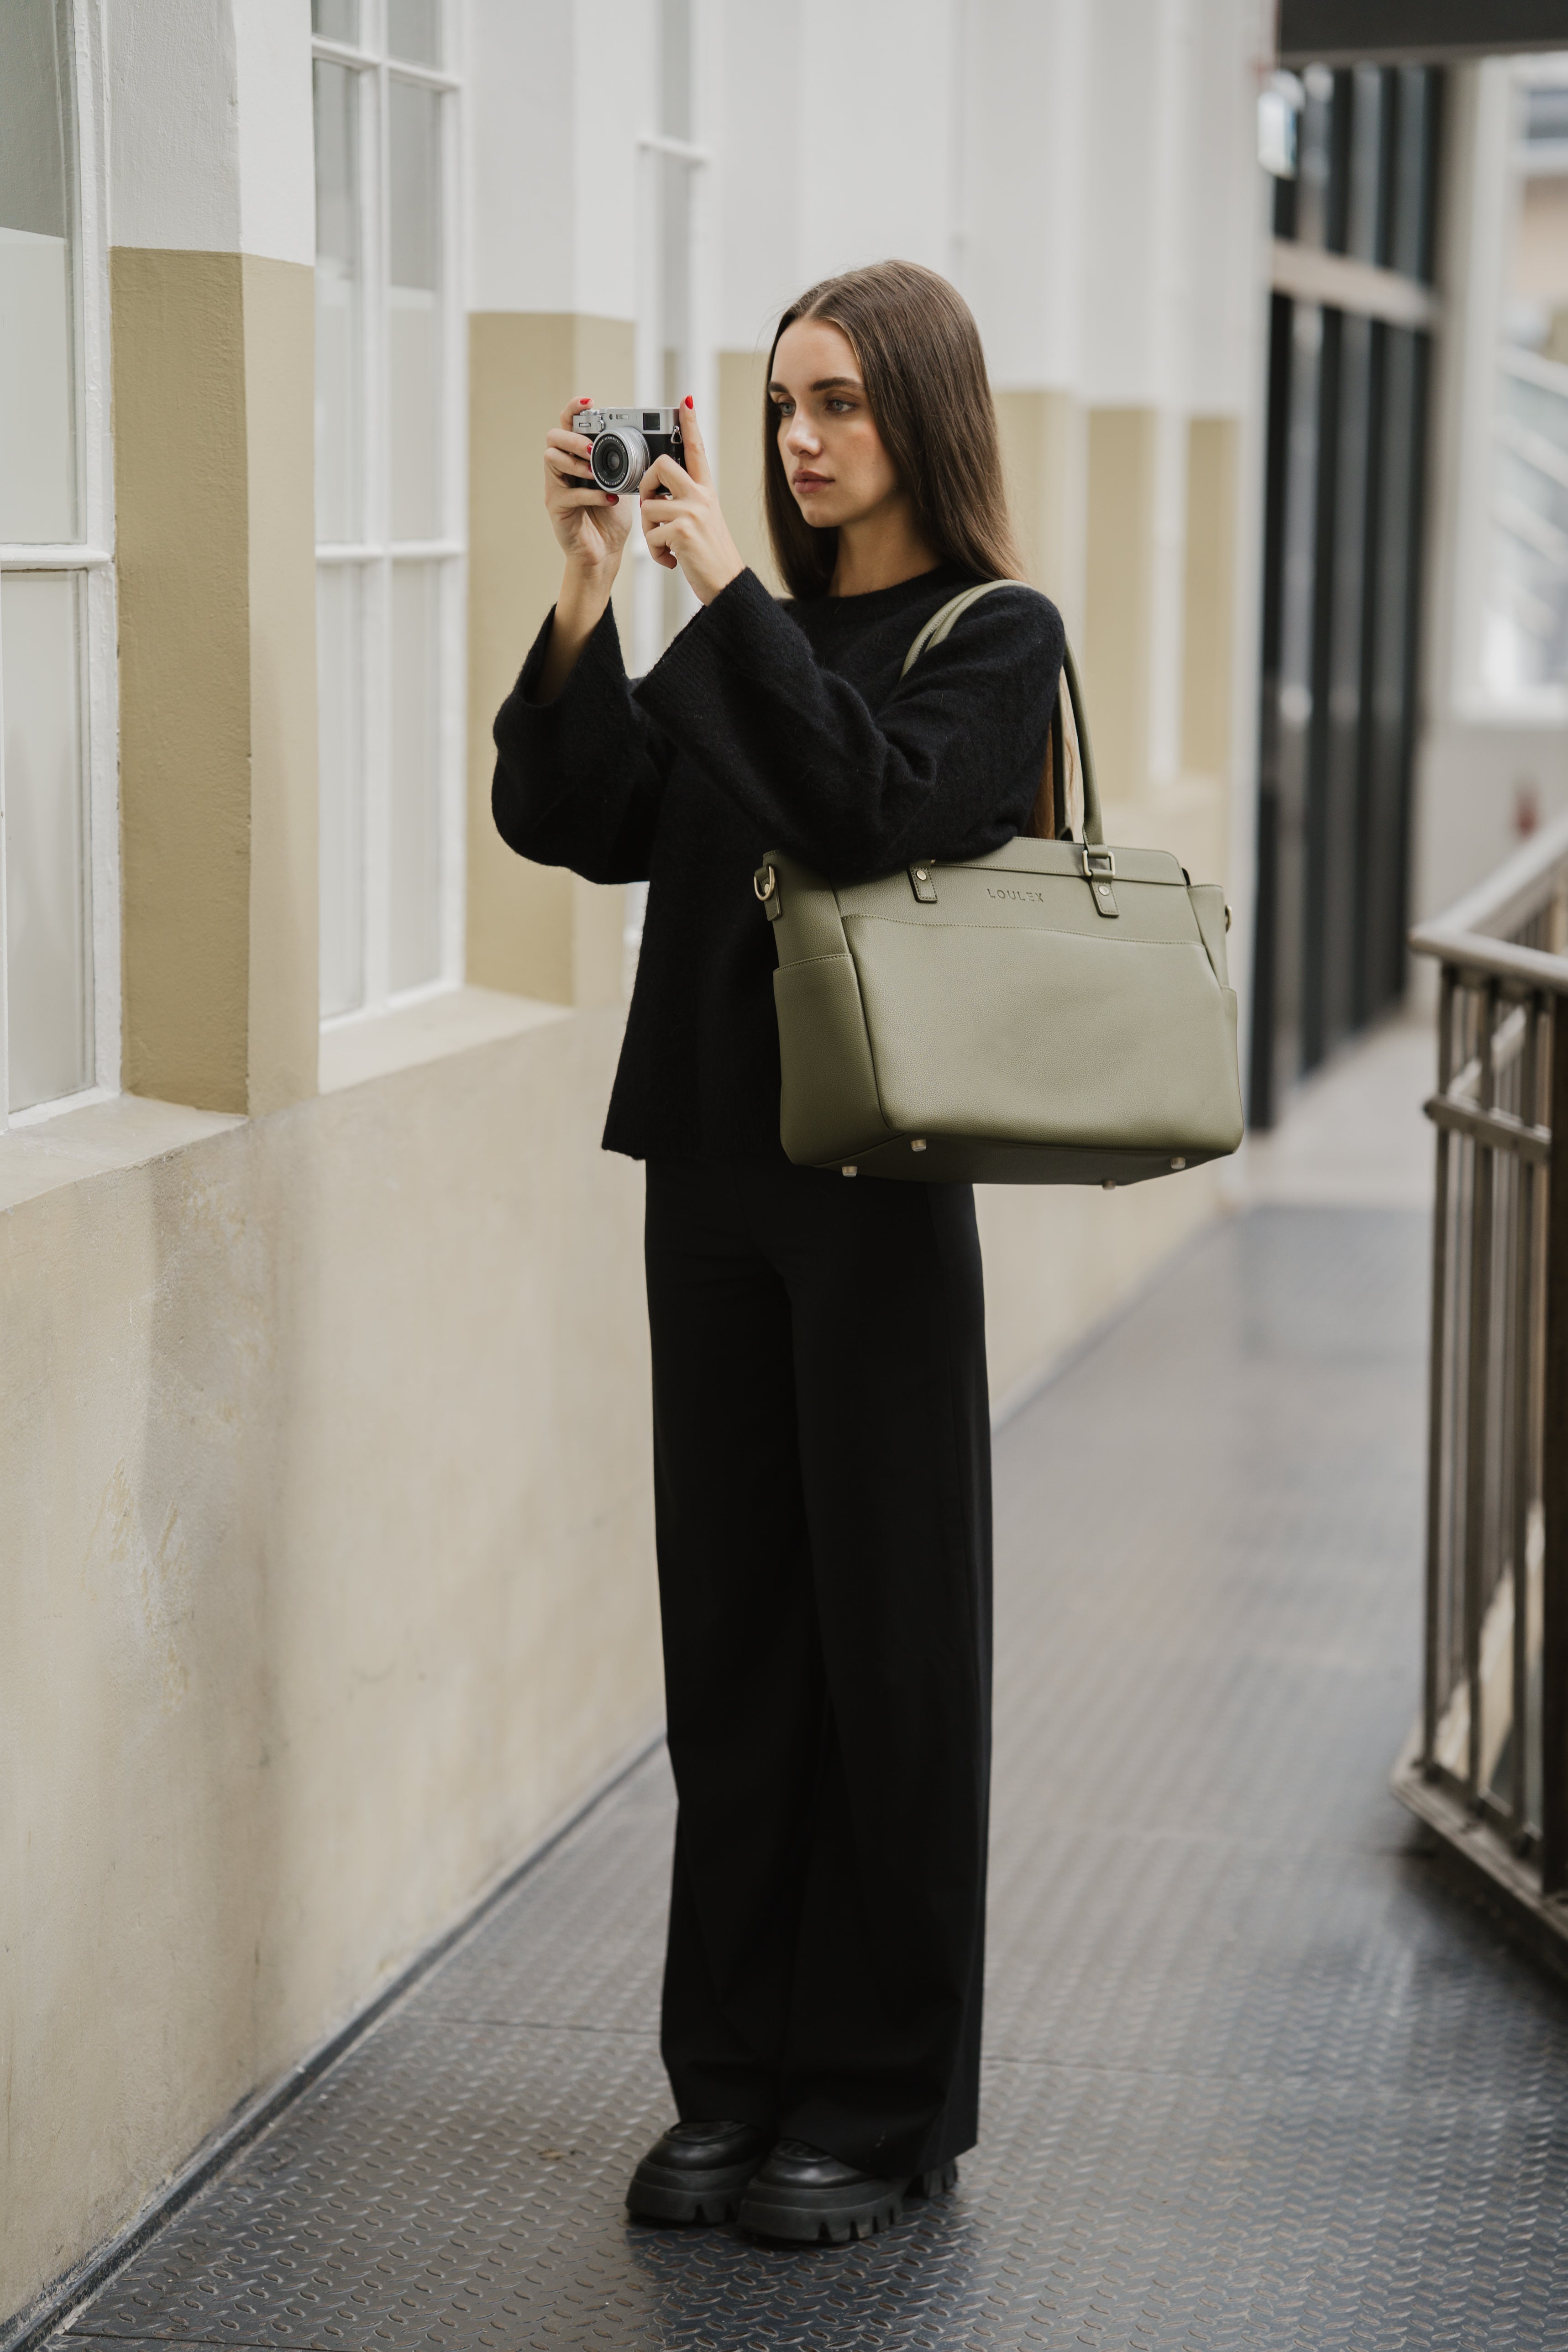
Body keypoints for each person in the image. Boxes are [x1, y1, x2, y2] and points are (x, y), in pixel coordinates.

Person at [491, 259, 1065, 2247]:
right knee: (734, 1640)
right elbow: (576, 816)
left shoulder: (989, 636)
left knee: (889, 1643)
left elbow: (861, 808)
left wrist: (722, 585)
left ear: (922, 416)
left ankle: (880, 2104)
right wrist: (590, 584)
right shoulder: (757, 633)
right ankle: (730, 2082)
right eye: (781, 404)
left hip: (880, 1191)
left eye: (839, 404)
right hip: (714, 1174)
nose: (800, 439)